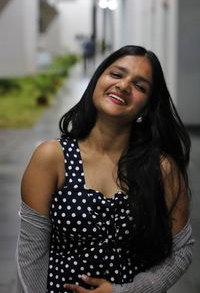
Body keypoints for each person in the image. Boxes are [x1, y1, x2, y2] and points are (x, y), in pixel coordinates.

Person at [16, 45, 194, 293]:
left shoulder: (161, 168)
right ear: (98, 79)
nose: (123, 86)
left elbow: (181, 250)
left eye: (140, 86)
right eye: (116, 74)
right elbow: (30, 257)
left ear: (147, 106)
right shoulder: (52, 158)